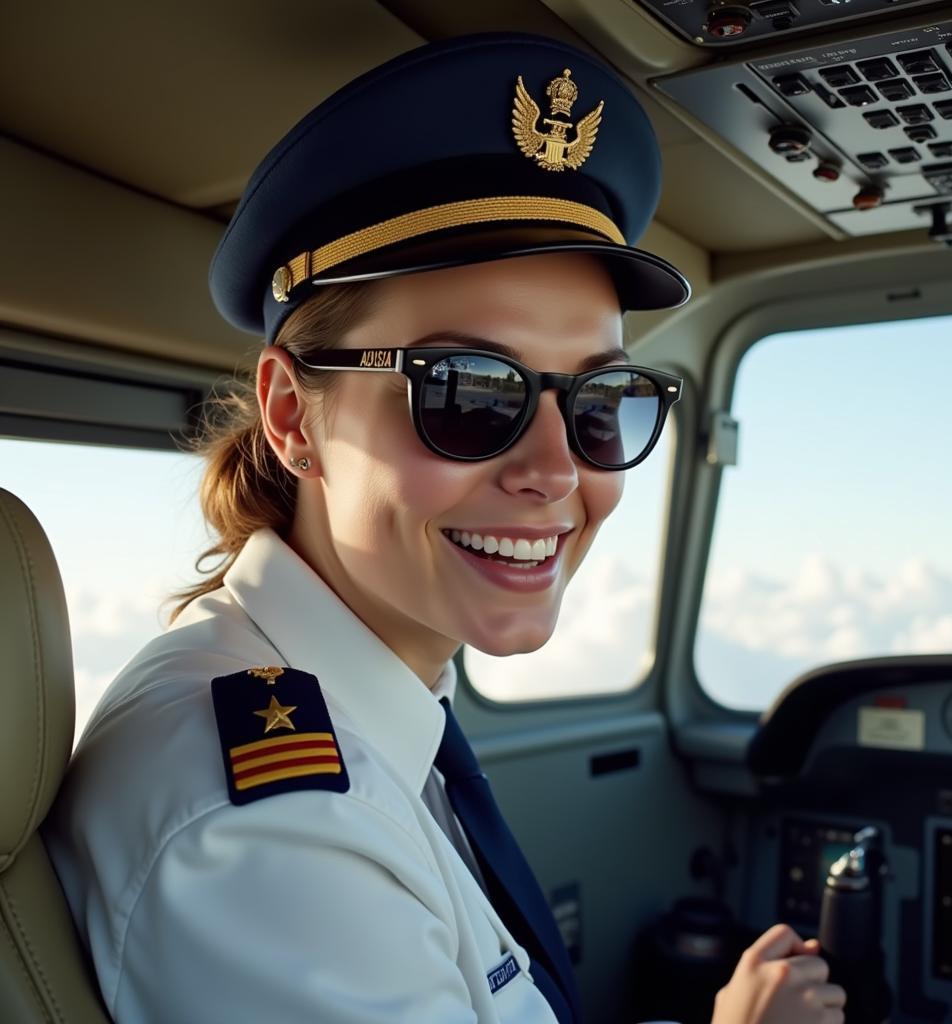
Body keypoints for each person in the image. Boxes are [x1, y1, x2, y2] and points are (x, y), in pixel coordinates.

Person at [42, 30, 846, 1024]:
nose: (557, 470)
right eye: (469, 392)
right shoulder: (267, 832)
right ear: (295, 417)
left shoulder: (363, 698)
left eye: (599, 400)